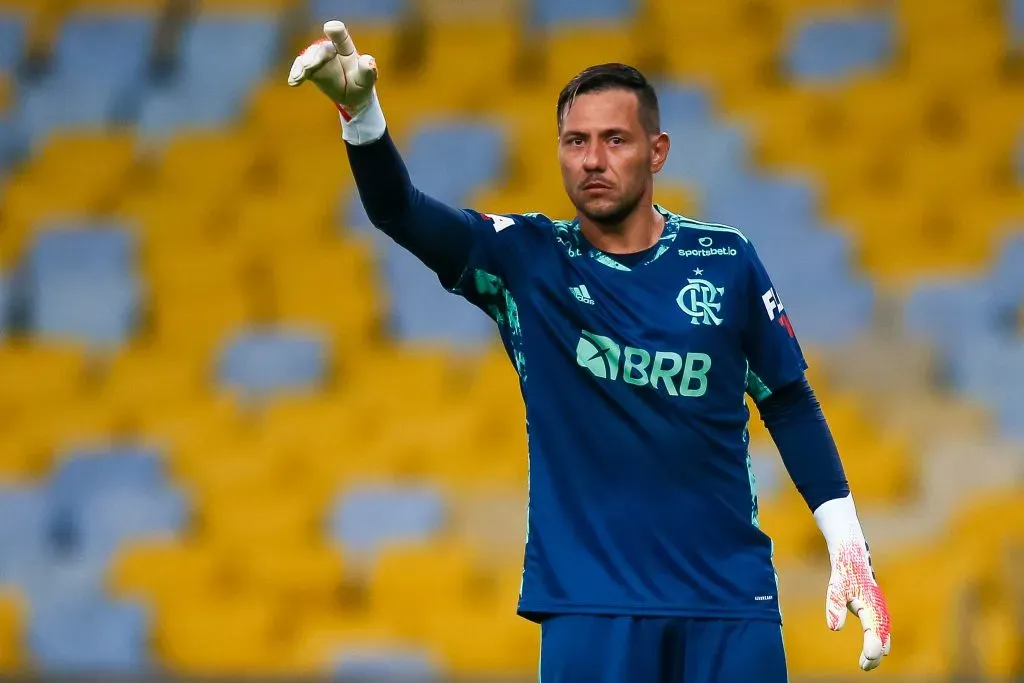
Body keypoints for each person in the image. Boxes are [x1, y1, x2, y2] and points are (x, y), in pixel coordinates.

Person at [288, 21, 892, 682]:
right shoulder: (526, 259)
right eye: (576, 141)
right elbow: (400, 210)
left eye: (614, 140)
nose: (592, 159)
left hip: (727, 603)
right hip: (590, 608)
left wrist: (847, 542)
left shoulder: (726, 261)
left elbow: (787, 398)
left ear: (656, 151)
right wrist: (361, 114)